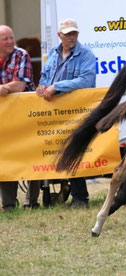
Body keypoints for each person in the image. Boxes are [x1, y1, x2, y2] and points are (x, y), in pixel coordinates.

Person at [32, 18, 96, 208]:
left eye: (74, 33)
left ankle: (80, 198)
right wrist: (43, 85)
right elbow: (45, 75)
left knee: (74, 149)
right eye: (68, 34)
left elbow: (86, 80)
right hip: (56, 112)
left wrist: (56, 87)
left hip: (77, 111)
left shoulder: (86, 54)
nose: (72, 37)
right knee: (60, 150)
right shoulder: (53, 53)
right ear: (60, 35)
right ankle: (67, 192)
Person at [0, 25, 35, 211]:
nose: (10, 42)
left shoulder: (21, 55)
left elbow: (20, 86)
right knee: (5, 157)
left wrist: (4, 88)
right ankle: (8, 205)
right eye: (5, 39)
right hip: (3, 119)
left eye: (11, 37)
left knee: (31, 155)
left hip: (25, 115)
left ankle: (32, 202)